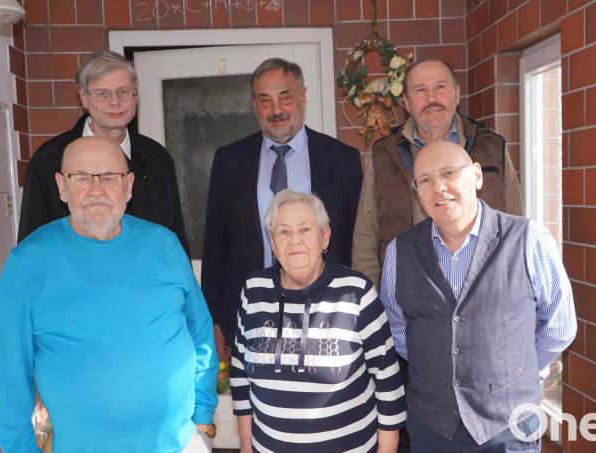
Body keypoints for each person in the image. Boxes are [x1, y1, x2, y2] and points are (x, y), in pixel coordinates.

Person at [0, 137, 218, 452]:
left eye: (109, 177)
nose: (96, 190)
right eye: (82, 178)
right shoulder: (28, 263)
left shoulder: (164, 245)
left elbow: (200, 329)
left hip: (179, 444)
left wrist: (203, 413)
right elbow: (9, 376)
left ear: (129, 186)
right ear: (62, 187)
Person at [380, 140, 576, 452]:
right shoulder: (399, 251)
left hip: (508, 426)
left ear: (476, 176)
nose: (439, 188)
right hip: (431, 427)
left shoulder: (529, 240)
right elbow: (397, 328)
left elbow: (559, 326)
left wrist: (516, 372)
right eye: (426, 180)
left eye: (448, 173)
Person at [202, 58, 363, 364]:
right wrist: (215, 319)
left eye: (285, 97)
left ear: (303, 96)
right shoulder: (229, 161)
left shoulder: (342, 159)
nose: (276, 109)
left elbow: (358, 240)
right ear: (254, 105)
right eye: (265, 100)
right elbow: (215, 246)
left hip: (326, 311)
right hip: (251, 310)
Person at [230, 190, 405, 452]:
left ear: (325, 237)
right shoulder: (254, 290)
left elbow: (387, 379)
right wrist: (246, 442)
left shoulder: (356, 291)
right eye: (284, 232)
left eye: (305, 230)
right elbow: (240, 371)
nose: (295, 241)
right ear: (272, 243)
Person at [352, 59, 523, 287]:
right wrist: (370, 303)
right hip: (406, 297)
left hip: (484, 289)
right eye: (420, 90)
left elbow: (516, 223)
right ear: (406, 102)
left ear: (456, 94)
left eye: (440, 87)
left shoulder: (491, 147)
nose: (431, 99)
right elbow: (366, 237)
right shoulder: (384, 154)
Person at [17, 50, 189, 253]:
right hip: (77, 282)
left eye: (124, 91)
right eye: (102, 94)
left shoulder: (158, 158)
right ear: (84, 98)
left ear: (135, 96)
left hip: (146, 282)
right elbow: (32, 244)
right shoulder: (50, 159)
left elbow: (173, 236)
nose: (115, 102)